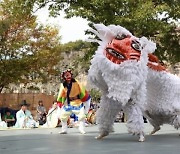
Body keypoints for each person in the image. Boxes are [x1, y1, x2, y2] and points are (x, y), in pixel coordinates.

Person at [57, 69, 91, 134]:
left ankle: (81, 129)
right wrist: (60, 102)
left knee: (81, 116)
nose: (68, 76)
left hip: (77, 102)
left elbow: (82, 90)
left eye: (68, 74)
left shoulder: (76, 82)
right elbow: (61, 94)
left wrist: (84, 99)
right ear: (64, 77)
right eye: (66, 75)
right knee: (63, 116)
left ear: (71, 75)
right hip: (69, 103)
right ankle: (64, 129)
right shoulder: (63, 85)